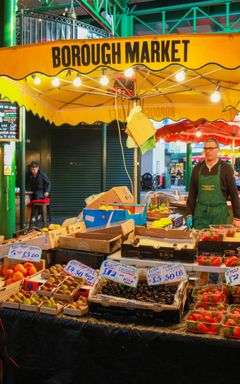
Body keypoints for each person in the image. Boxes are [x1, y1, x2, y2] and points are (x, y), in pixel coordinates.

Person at [186, 138, 240, 229]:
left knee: (218, 242)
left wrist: (237, 217)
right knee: (199, 241)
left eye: (211, 148)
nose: (207, 151)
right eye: (205, 149)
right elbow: (192, 194)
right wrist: (189, 213)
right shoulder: (197, 168)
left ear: (218, 149)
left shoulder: (226, 168)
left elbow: (234, 194)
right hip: (200, 214)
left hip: (219, 215)